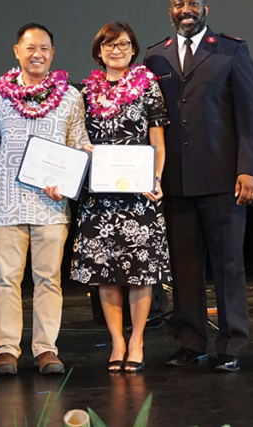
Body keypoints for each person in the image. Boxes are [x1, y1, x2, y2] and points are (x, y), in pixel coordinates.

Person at [143, 0, 253, 373]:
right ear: (170, 11)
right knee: (185, 268)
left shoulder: (231, 49)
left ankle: (231, 346)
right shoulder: (154, 56)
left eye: (192, 3)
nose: (186, 9)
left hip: (223, 180)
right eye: (179, 4)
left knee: (229, 266)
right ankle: (191, 342)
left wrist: (247, 168)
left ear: (205, 7)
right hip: (175, 183)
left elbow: (250, 116)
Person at [0, 23, 91, 376]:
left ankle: (45, 349)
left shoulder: (70, 96)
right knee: (6, 280)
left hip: (51, 204)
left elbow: (80, 145)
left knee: (48, 279)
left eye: (44, 48)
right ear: (17, 52)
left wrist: (69, 182)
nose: (37, 54)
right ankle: (6, 350)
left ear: (52, 54)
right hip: (7, 199)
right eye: (30, 48)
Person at [70, 21, 169, 373]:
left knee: (140, 274)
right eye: (109, 45)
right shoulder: (84, 93)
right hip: (100, 197)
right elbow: (77, 141)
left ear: (133, 49)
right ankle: (117, 342)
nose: (116, 50)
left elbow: (157, 142)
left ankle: (138, 339)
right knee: (107, 273)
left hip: (139, 194)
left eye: (124, 44)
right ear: (99, 51)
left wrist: (156, 178)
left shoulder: (148, 87)